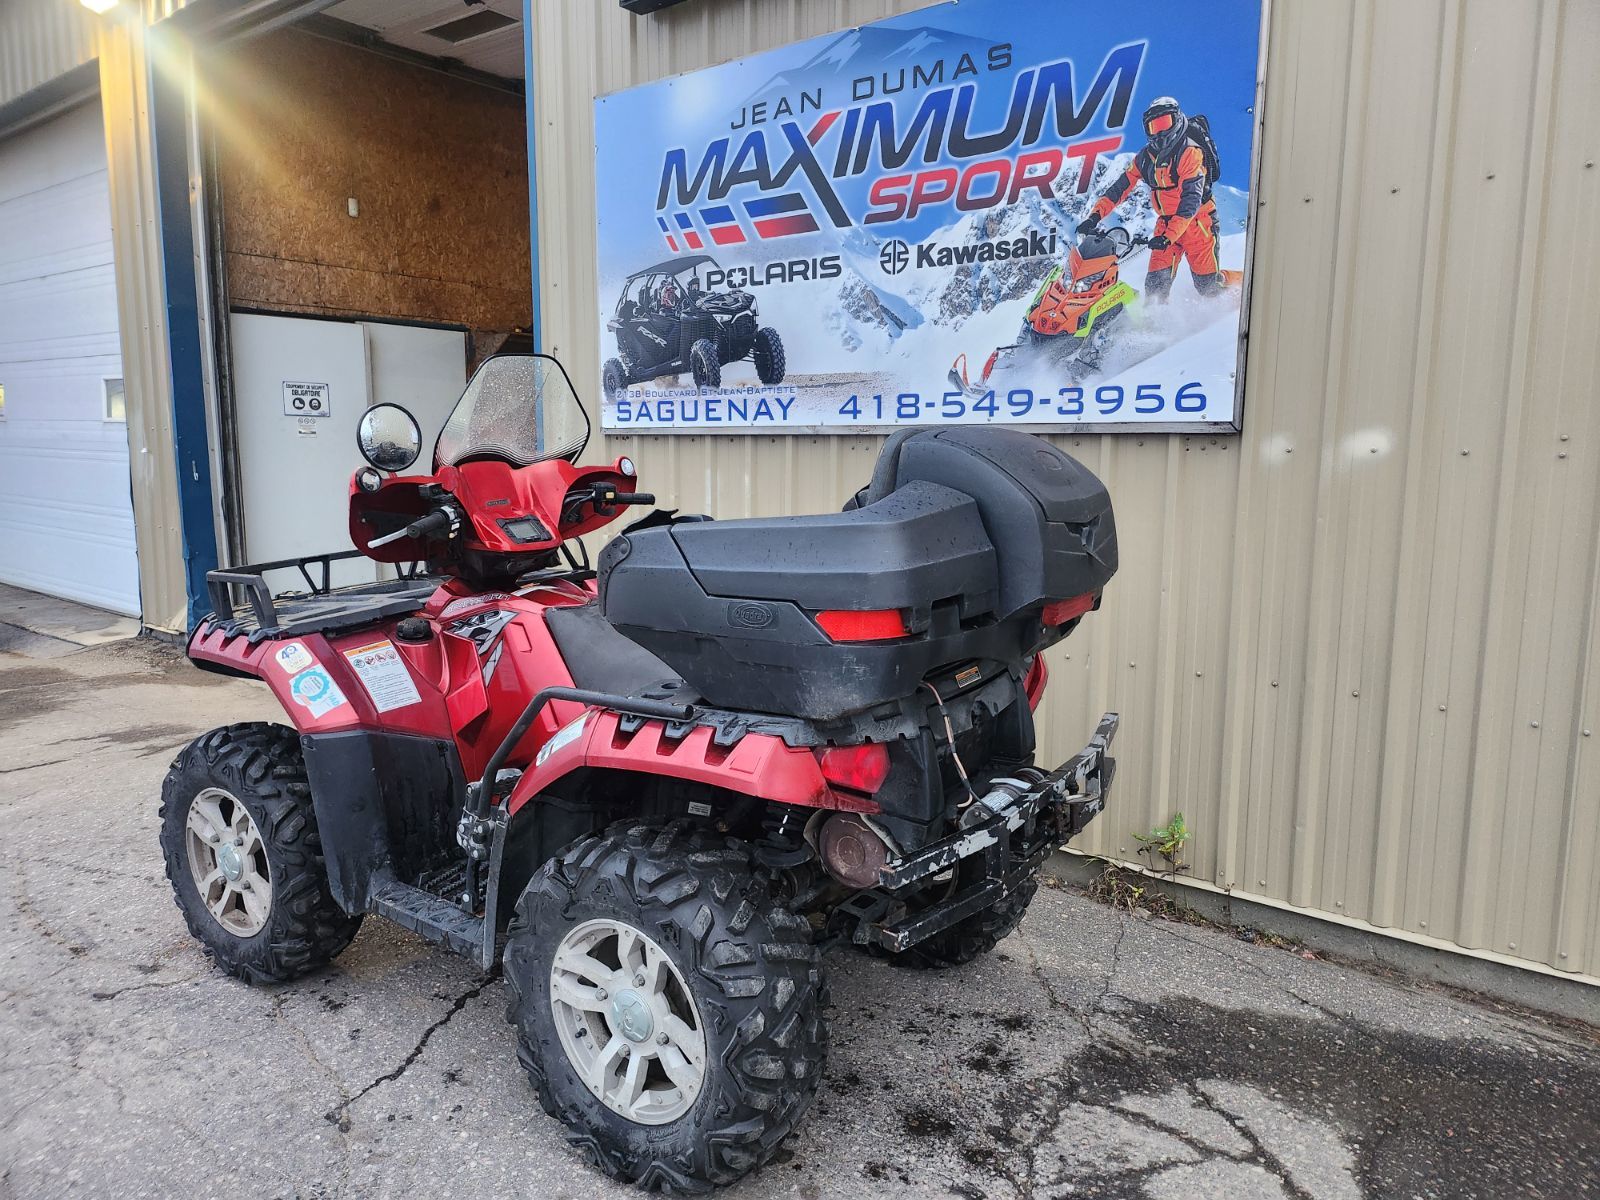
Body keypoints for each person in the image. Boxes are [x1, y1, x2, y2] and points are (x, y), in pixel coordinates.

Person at [1077, 97, 1228, 301]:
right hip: (1165, 225)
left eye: (1164, 123)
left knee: (1208, 286)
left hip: (1198, 224)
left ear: (1178, 120)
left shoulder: (1190, 152)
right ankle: (1156, 321)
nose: (1159, 133)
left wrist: (1169, 236)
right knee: (1155, 289)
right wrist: (1094, 216)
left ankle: (1240, 288)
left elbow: (1191, 200)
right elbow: (1120, 188)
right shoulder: (1145, 158)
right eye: (1153, 127)